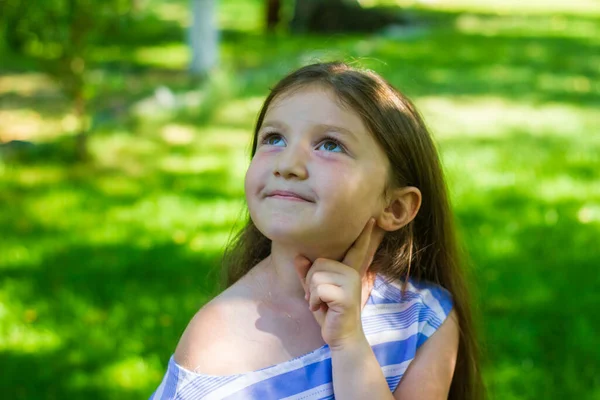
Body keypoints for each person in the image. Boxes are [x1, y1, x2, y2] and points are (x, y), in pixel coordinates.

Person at [150, 62, 483, 399]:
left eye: (329, 145)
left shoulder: (422, 319)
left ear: (394, 207)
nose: (288, 165)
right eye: (274, 139)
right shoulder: (220, 339)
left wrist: (349, 344)